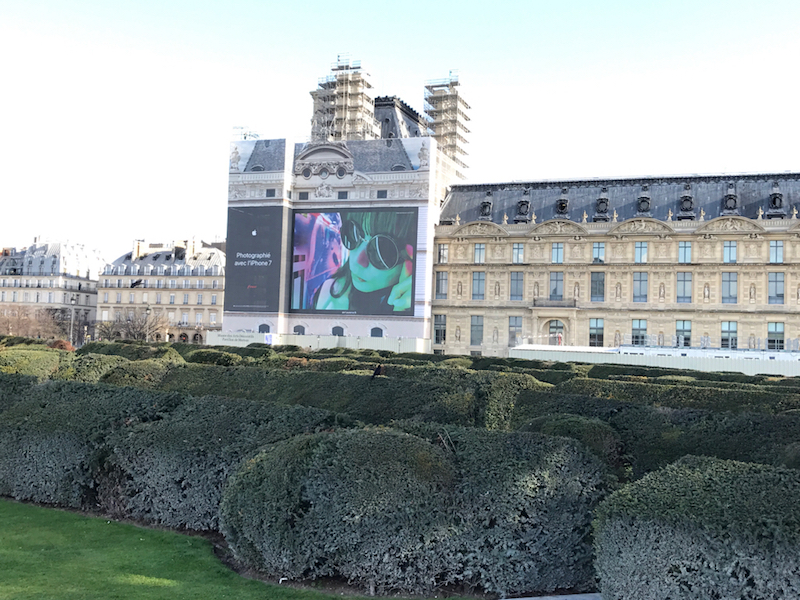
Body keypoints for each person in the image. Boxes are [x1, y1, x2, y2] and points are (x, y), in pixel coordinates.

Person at [314, 211, 415, 313]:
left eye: (382, 249)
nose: (358, 260)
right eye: (353, 235)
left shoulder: (415, 302)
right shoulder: (329, 294)